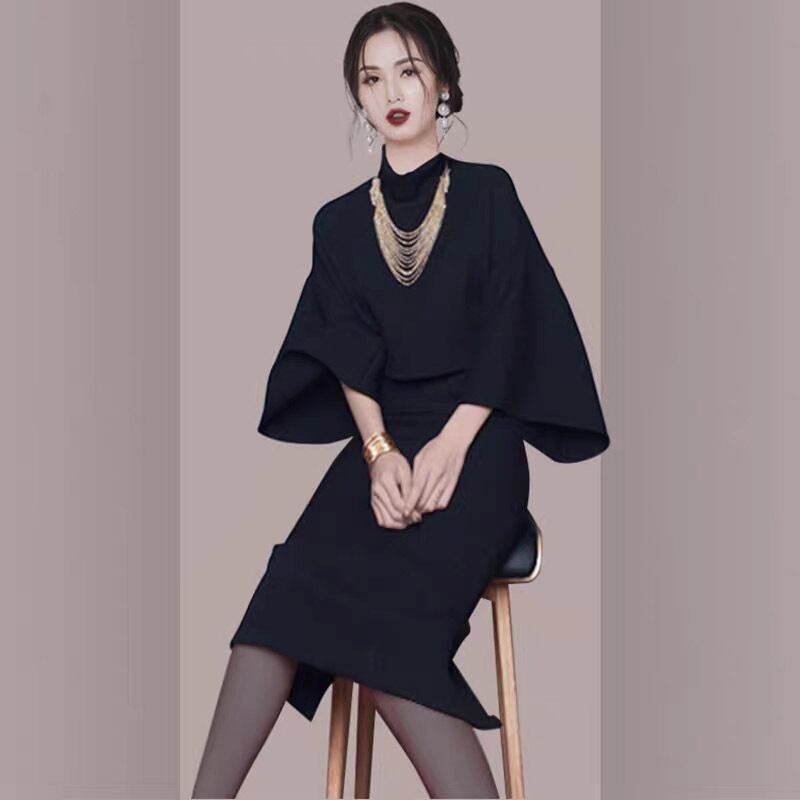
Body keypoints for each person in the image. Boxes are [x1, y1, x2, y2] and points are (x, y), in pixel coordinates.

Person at [192, 3, 610, 798]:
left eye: (408, 71)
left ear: (443, 83)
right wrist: (380, 454)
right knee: (276, 609)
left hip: (477, 439)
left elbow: (511, 326)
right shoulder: (339, 224)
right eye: (371, 77)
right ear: (357, 95)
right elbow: (346, 346)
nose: (391, 91)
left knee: (390, 645)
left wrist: (452, 444)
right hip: (383, 439)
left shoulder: (489, 194)